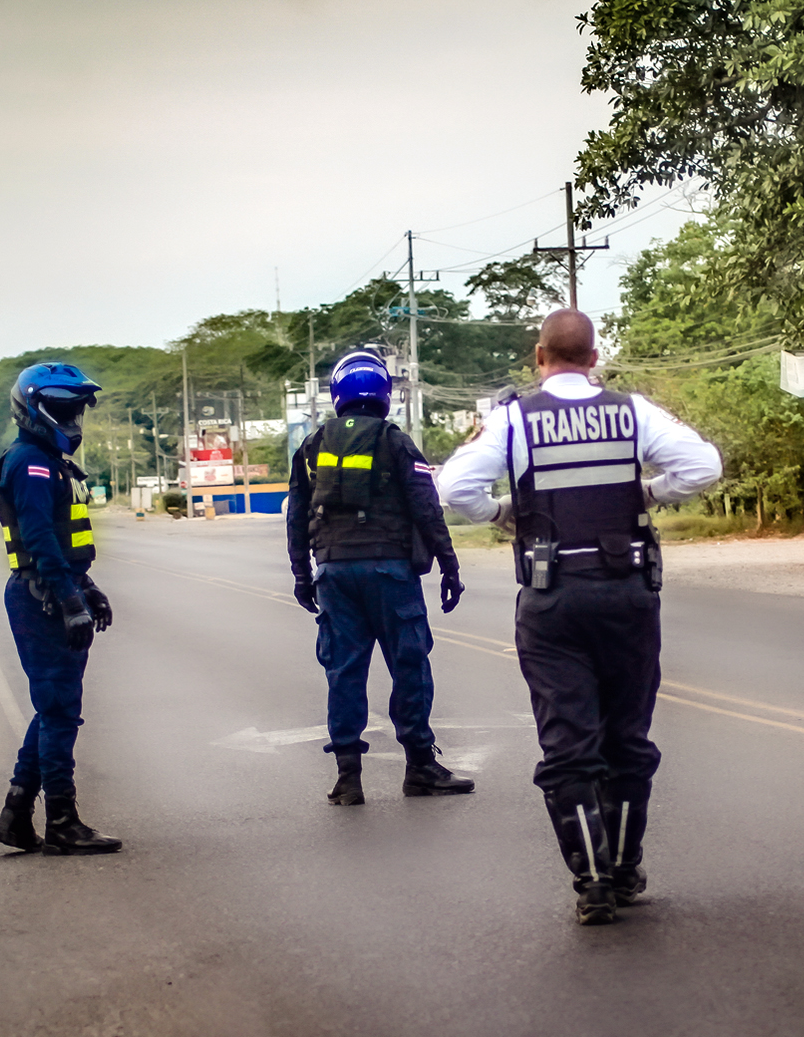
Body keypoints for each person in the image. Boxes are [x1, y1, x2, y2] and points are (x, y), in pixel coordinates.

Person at [438, 309, 721, 926]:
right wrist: (648, 493)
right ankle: (624, 869)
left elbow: (453, 487)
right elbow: (704, 468)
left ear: (539, 357)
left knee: (569, 745)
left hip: (552, 597)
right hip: (627, 595)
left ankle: (592, 881)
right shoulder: (631, 412)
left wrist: (504, 511)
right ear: (595, 358)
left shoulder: (514, 418)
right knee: (628, 739)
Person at [288, 348, 473, 807]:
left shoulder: (311, 446)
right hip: (390, 572)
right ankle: (420, 767)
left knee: (344, 673)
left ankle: (348, 779)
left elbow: (295, 517)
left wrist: (301, 574)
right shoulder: (396, 441)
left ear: (337, 394)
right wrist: (449, 565)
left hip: (333, 572)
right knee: (409, 666)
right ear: (385, 393)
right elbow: (426, 509)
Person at [0, 363, 122, 856]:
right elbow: (40, 539)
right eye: (63, 409)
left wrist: (86, 586)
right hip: (40, 595)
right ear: (34, 410)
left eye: (76, 409)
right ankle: (62, 821)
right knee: (60, 712)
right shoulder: (31, 462)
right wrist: (68, 600)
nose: (73, 420)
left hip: (50, 587)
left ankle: (16, 815)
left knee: (53, 709)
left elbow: (61, 544)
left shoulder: (43, 458)